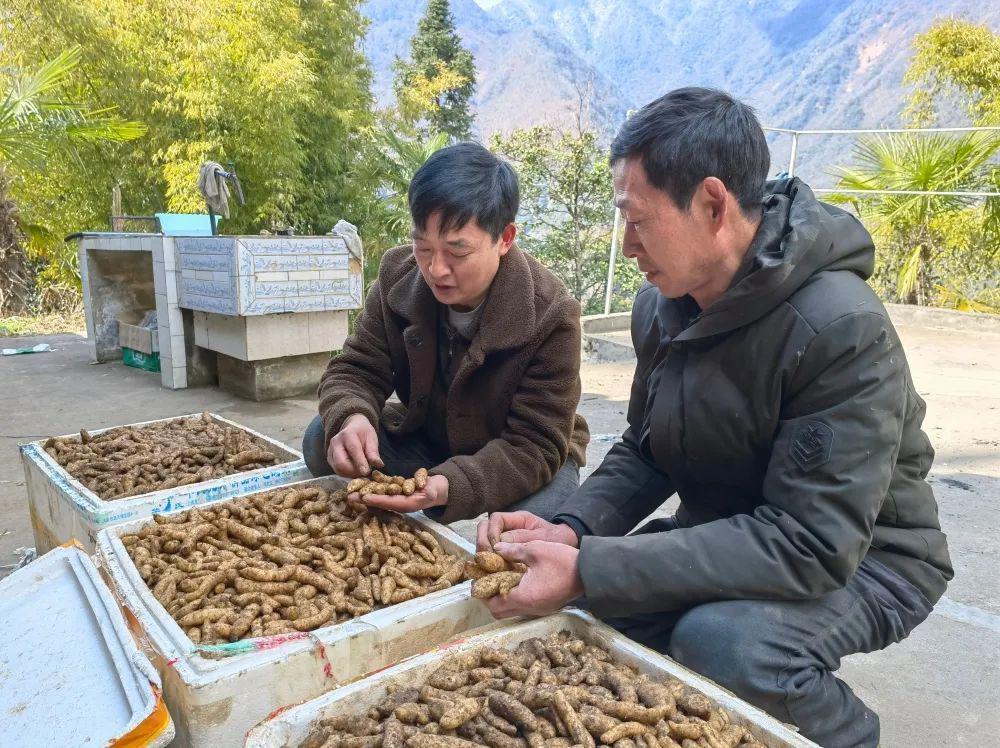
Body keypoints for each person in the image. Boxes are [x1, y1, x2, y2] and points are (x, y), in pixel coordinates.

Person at [476, 88, 952, 748]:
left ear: (712, 204)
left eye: (637, 220)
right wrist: (570, 530)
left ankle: (846, 737)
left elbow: (812, 544)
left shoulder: (839, 330)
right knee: (590, 606)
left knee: (724, 643)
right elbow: (646, 450)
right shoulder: (664, 306)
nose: (627, 243)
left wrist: (593, 564)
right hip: (736, 530)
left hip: (866, 559)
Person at [303, 142, 589, 523]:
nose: (436, 269)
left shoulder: (552, 314)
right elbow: (355, 368)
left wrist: (449, 486)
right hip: (431, 437)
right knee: (322, 436)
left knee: (523, 540)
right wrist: (352, 418)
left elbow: (534, 446)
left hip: (518, 456)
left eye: (457, 252)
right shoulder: (397, 276)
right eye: (424, 247)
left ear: (504, 238)